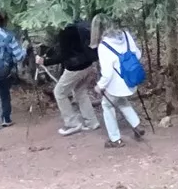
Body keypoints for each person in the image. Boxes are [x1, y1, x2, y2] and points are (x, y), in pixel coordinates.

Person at [92, 14, 146, 148]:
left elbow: (107, 73)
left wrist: (100, 86)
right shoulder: (125, 34)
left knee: (107, 105)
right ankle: (137, 126)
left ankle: (115, 139)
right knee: (121, 101)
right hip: (131, 81)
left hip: (115, 85)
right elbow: (137, 54)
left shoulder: (103, 46)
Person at [52, 14, 101, 136]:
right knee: (80, 91)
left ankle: (72, 123)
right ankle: (92, 122)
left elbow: (64, 56)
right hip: (89, 65)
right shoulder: (81, 26)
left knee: (59, 93)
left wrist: (45, 61)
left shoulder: (65, 32)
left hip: (75, 68)